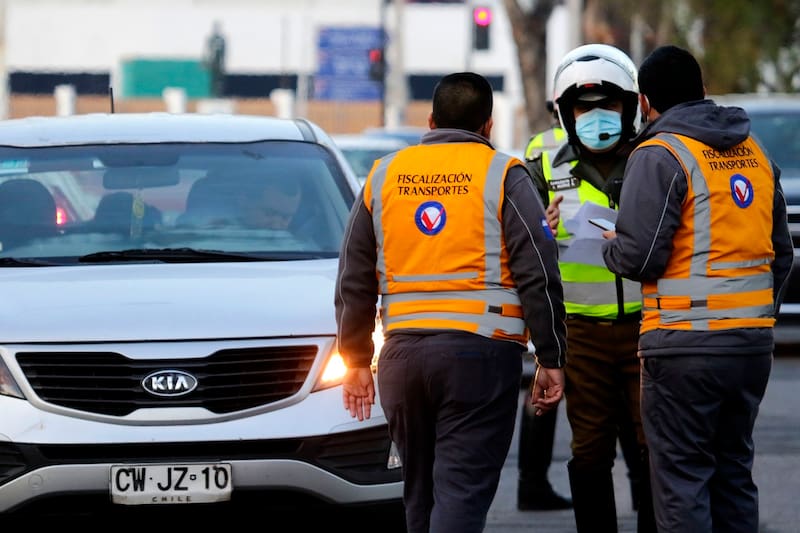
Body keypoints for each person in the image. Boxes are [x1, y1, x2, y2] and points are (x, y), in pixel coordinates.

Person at [334, 71, 568, 533]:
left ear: (430, 120)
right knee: (460, 494)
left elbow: (353, 276)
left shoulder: (382, 175)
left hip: (401, 360)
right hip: (479, 358)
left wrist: (357, 359)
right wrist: (552, 355)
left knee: (419, 495)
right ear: (488, 126)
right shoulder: (505, 174)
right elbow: (538, 271)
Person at [602, 44, 793, 533]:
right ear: (704, 90)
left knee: (683, 481)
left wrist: (610, 245)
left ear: (645, 102)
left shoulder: (660, 153)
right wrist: (751, 315)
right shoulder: (754, 151)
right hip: (750, 345)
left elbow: (641, 257)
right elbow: (781, 253)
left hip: (682, 344)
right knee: (733, 475)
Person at [524, 43, 656, 532]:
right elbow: (520, 240)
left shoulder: (653, 155)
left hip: (650, 325)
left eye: (609, 106)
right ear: (564, 111)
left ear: (630, 106)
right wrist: (541, 223)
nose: (597, 117)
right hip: (580, 332)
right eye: (584, 107)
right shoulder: (541, 158)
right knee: (590, 450)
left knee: (653, 447)